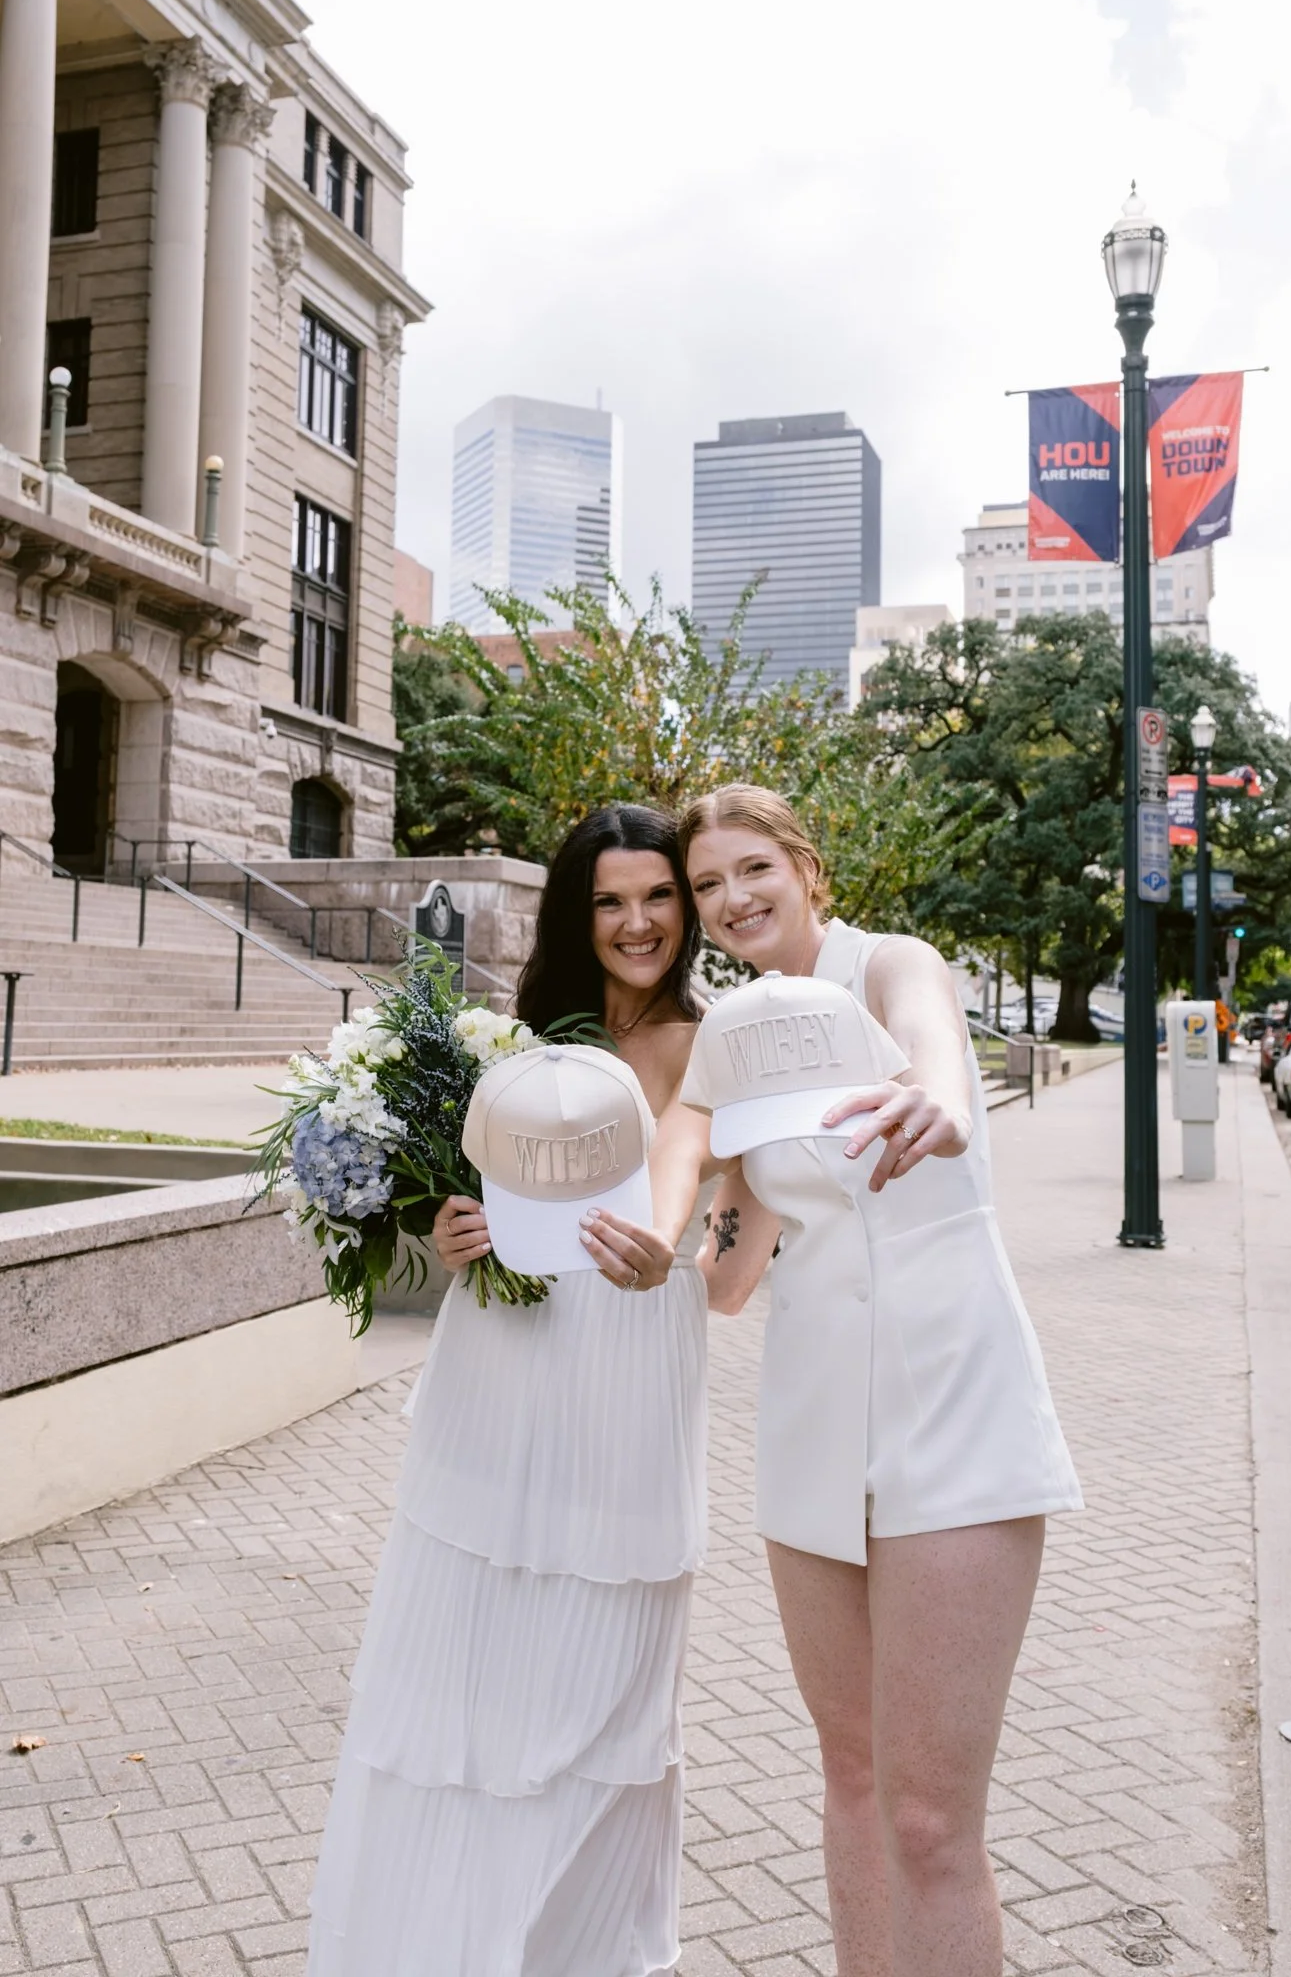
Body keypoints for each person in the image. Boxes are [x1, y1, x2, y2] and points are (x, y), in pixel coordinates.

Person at [306, 805, 722, 1977]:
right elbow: (472, 1194)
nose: (636, 922)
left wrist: (670, 1240)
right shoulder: (508, 1041)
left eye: (657, 895)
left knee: (609, 1680)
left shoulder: (711, 1041)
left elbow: (694, 1170)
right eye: (608, 900)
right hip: (503, 1362)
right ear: (572, 914)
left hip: (632, 1351)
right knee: (466, 1669)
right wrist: (447, 1227)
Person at [678, 783, 1083, 1977]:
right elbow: (728, 1274)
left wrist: (937, 1101)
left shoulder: (891, 963)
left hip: (949, 1402)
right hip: (809, 1420)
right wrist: (582, 1248)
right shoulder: (733, 1035)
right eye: (707, 884)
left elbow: (936, 1053)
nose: (732, 897)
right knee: (852, 1774)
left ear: (806, 868)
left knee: (928, 1818)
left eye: (753, 867)